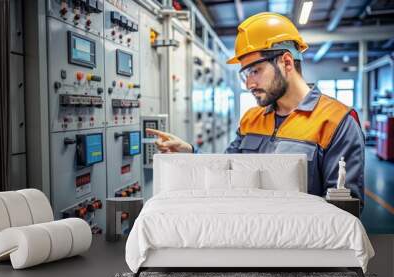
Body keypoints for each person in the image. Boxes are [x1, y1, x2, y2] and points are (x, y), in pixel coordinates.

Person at [146, 12, 365, 209]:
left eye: (255, 71)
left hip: (301, 247)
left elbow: (344, 209)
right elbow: (226, 171)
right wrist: (190, 153)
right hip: (249, 234)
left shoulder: (337, 121)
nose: (248, 84)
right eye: (245, 74)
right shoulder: (252, 119)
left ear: (286, 62)